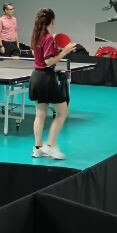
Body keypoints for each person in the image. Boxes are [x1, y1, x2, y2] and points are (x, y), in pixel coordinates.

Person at [29, 8, 76, 160]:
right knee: (62, 112)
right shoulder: (48, 37)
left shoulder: (36, 36)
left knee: (40, 113)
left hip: (36, 76)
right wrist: (65, 51)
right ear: (52, 21)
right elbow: (49, 61)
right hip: (46, 78)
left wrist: (55, 49)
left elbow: (37, 54)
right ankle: (50, 145)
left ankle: (37, 148)